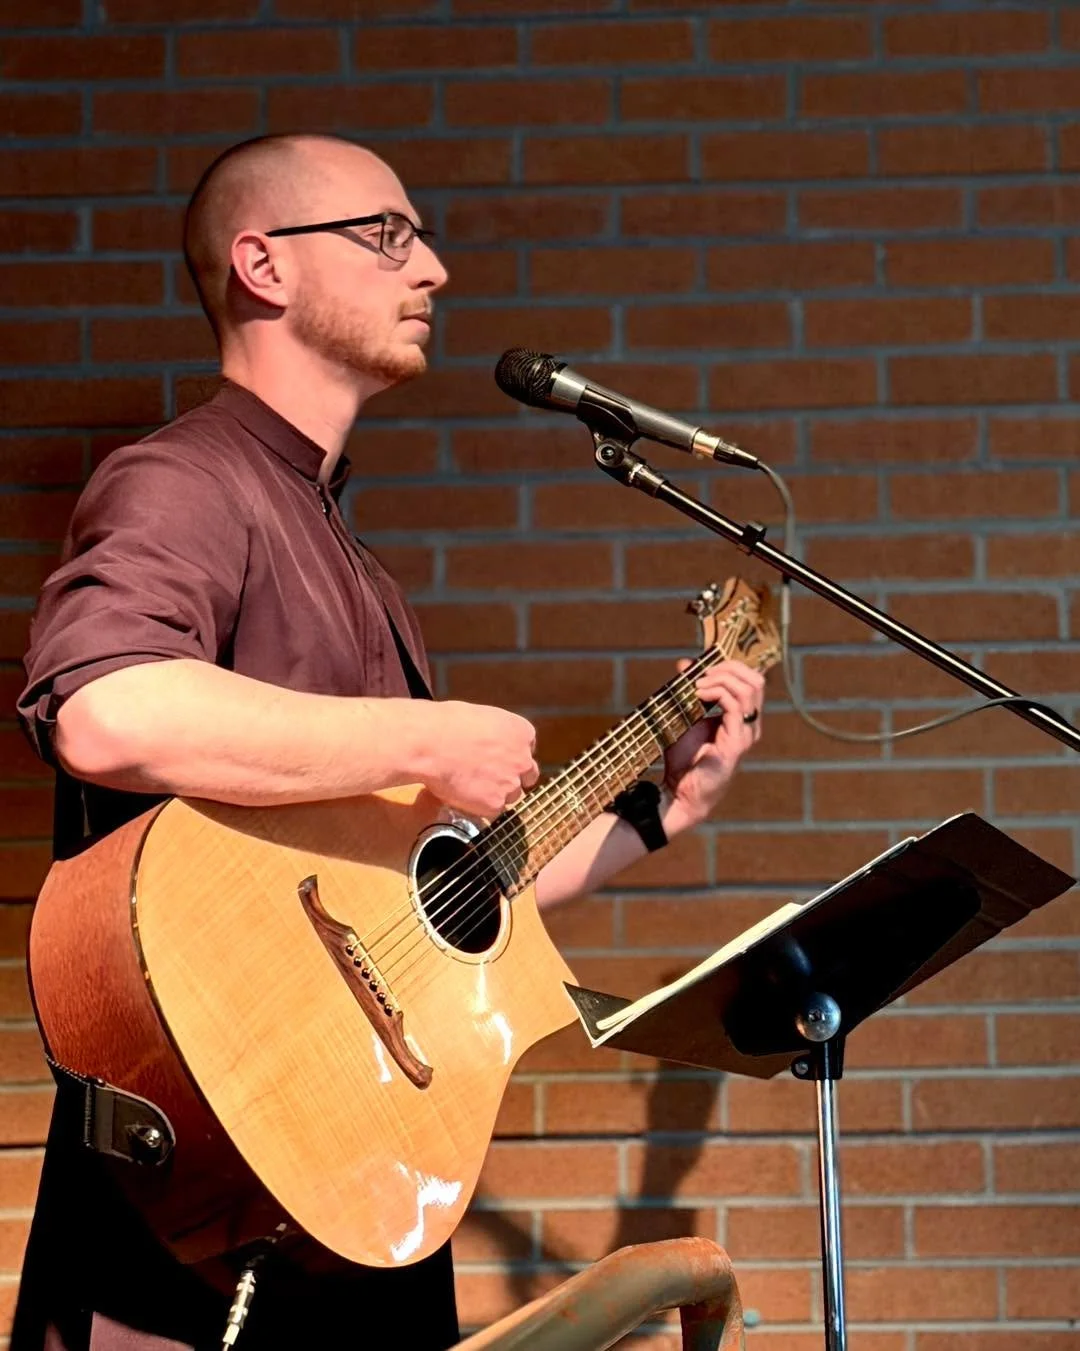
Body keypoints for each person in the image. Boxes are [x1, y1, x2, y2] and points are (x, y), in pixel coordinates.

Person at [13, 134, 765, 1351]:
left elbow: (439, 902)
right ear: (262, 264)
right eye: (387, 235)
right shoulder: (185, 480)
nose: (434, 269)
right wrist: (423, 733)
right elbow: (107, 709)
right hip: (192, 1211)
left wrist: (658, 811)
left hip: (355, 1185)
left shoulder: (353, 562)